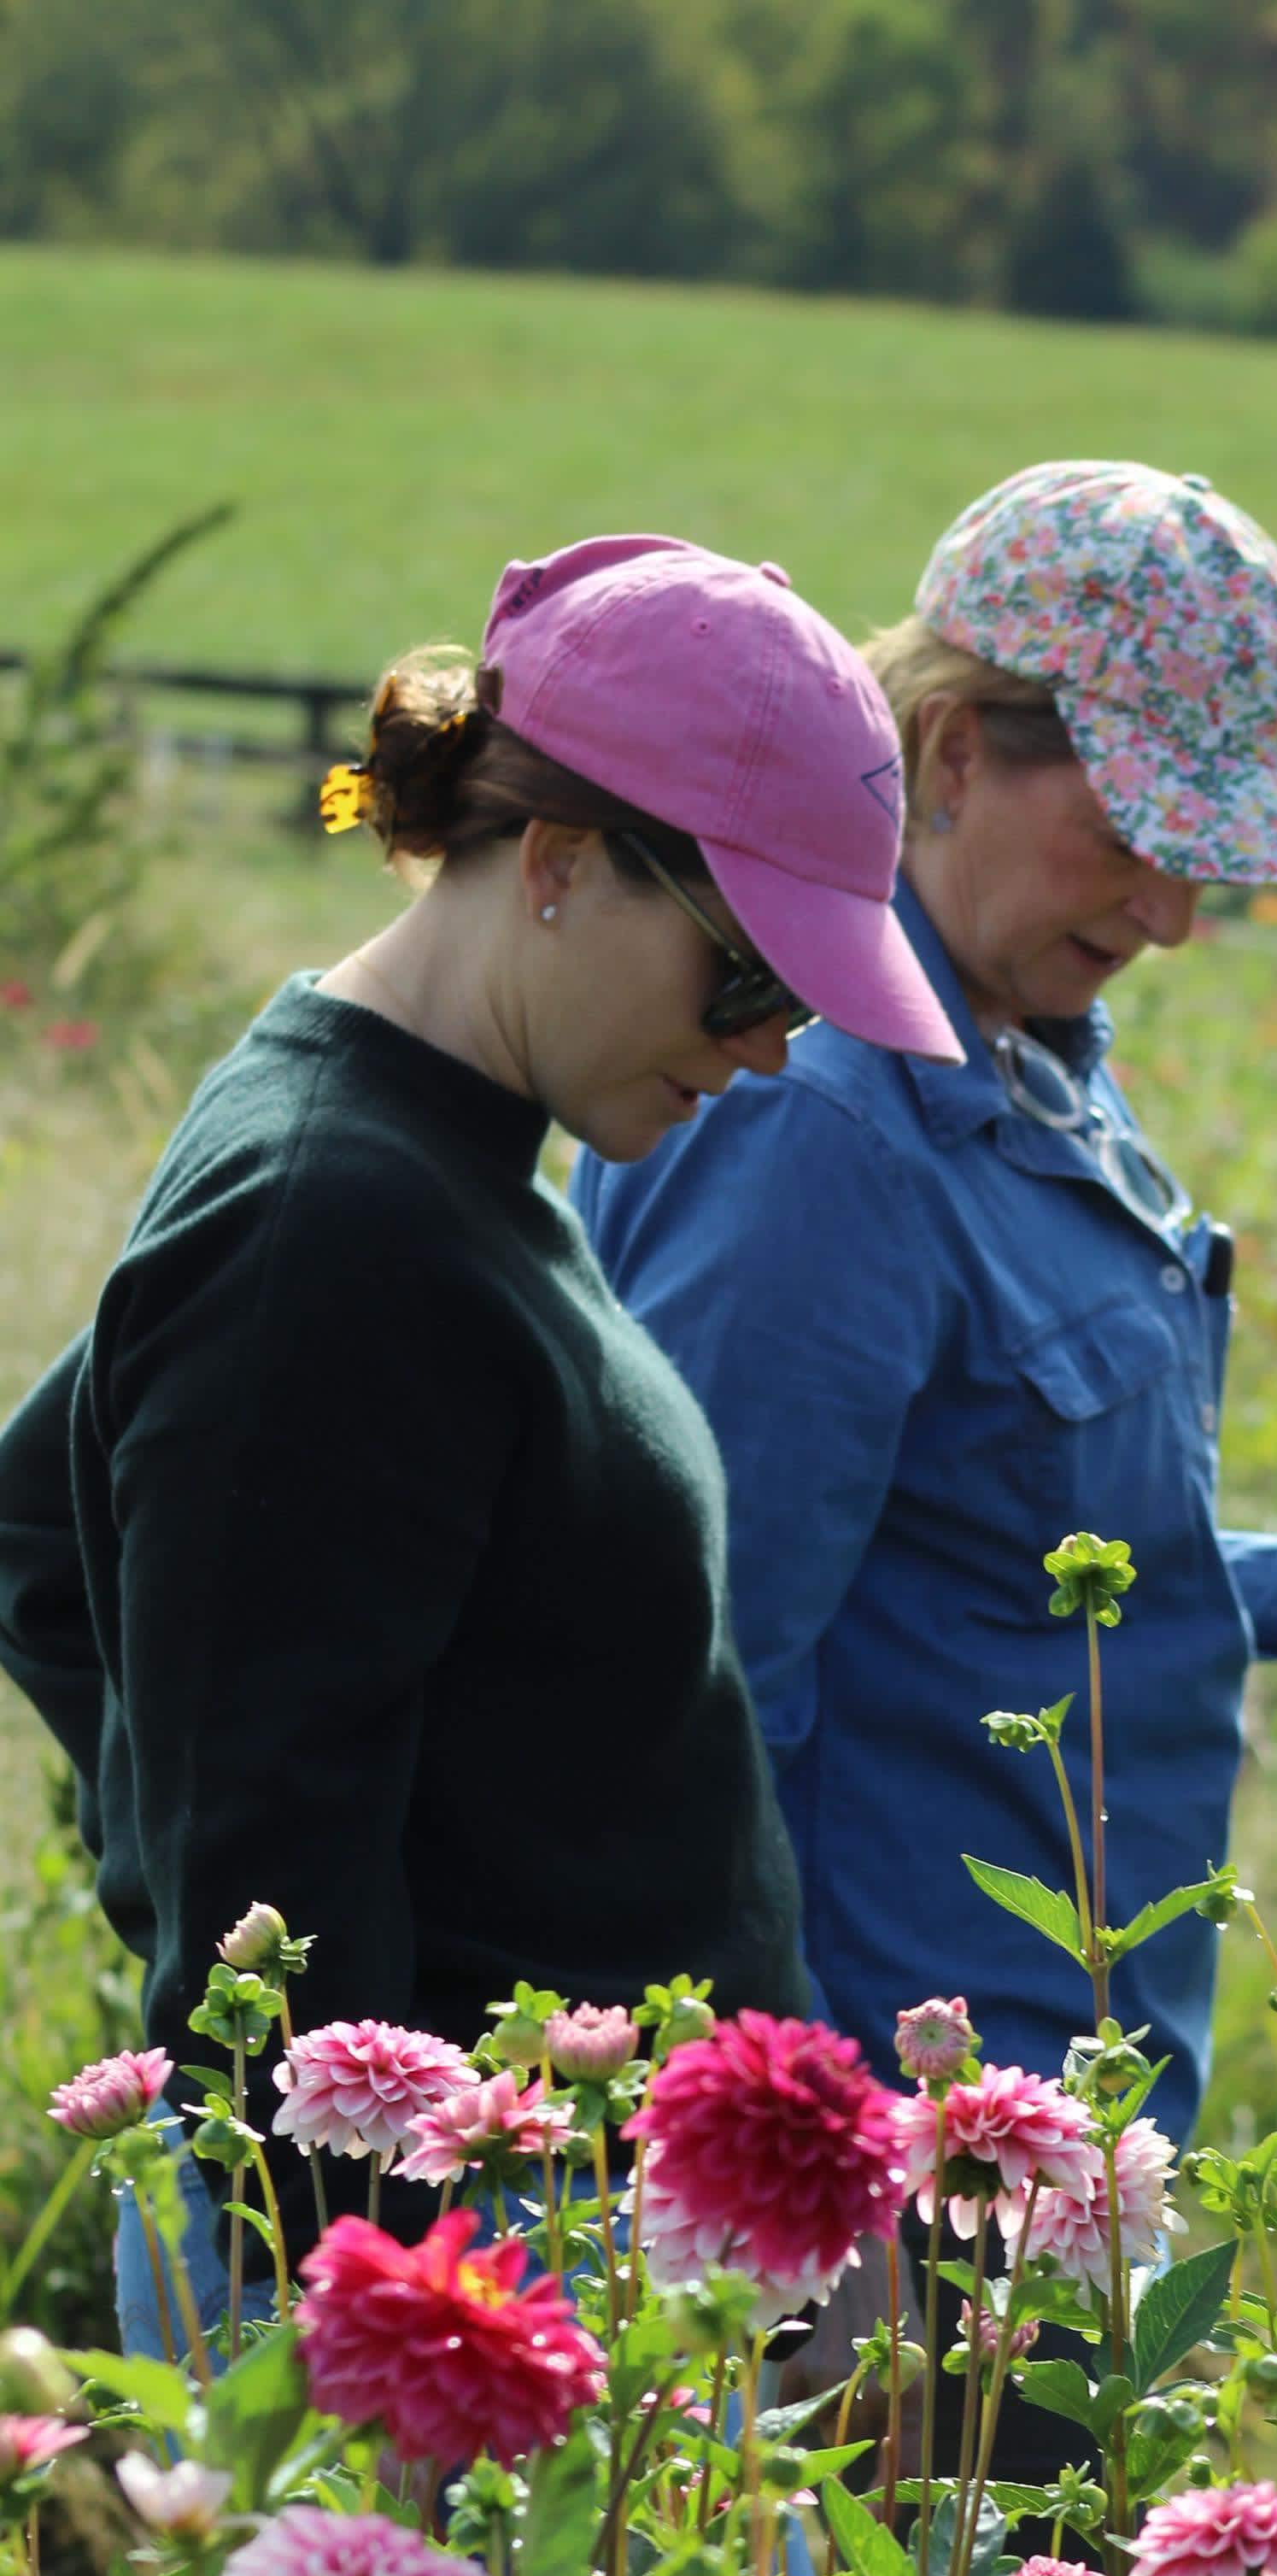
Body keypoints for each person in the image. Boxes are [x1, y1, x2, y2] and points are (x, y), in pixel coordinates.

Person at [0, 531, 958, 2342]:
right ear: (564, 863)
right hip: (439, 2260)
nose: (768, 1055)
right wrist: (366, 2307)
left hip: (542, 2209)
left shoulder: (414, 1151)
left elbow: (41, 1540)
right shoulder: (335, 1227)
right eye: (748, 978)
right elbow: (263, 1836)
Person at [577, 463, 1277, 2161]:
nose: (1174, 915)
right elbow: (693, 1693)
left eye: (1206, 859)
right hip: (896, 2136)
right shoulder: (817, 1123)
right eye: (1132, 837)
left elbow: (975, 1532)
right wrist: (804, 2171)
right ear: (954, 751)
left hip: (1057, 2107)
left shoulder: (1023, 1052)